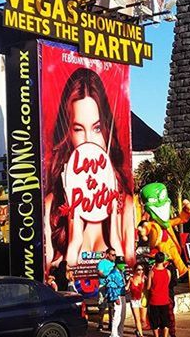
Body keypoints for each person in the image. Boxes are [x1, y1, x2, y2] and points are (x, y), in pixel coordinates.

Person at [43, 68, 135, 271]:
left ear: (106, 130)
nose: (88, 141)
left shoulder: (125, 203)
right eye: (78, 129)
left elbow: (128, 273)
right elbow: (51, 276)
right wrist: (74, 241)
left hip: (110, 302)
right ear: (67, 133)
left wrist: (114, 238)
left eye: (96, 128)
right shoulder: (51, 204)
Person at [147, 252, 172, 337]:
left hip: (154, 300)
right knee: (165, 321)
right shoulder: (168, 272)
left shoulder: (152, 272)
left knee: (154, 321)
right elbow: (167, 284)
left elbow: (148, 287)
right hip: (165, 299)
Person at [97, 247, 117, 331]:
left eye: (115, 255)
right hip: (103, 286)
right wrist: (108, 276)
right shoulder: (102, 263)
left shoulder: (115, 264)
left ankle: (111, 324)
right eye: (112, 255)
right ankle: (100, 324)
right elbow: (100, 273)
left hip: (112, 288)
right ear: (107, 255)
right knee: (102, 306)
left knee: (111, 306)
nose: (114, 257)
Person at [127, 262, 148, 337]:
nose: (140, 271)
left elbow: (149, 287)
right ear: (135, 270)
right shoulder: (131, 279)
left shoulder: (144, 278)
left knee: (143, 319)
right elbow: (127, 288)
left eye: (142, 269)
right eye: (138, 269)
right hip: (134, 300)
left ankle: (138, 330)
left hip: (143, 300)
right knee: (137, 318)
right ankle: (141, 334)